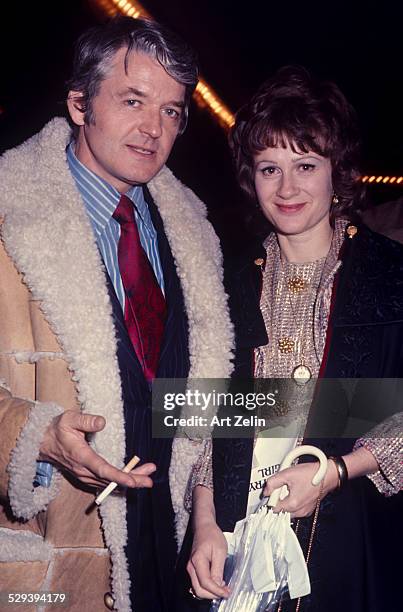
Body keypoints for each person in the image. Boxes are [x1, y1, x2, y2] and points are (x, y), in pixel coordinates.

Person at [0, 16, 233, 612]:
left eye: (173, 111)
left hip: (173, 549)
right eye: (133, 101)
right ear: (80, 104)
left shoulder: (197, 237)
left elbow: (218, 398)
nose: (154, 129)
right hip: (55, 550)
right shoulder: (7, 220)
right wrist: (36, 436)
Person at [186, 66, 403, 611]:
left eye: (306, 165)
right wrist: (205, 524)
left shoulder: (391, 275)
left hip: (354, 542)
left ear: (339, 173)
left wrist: (335, 471)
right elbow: (207, 415)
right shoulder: (225, 283)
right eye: (269, 168)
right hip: (236, 542)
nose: (286, 189)